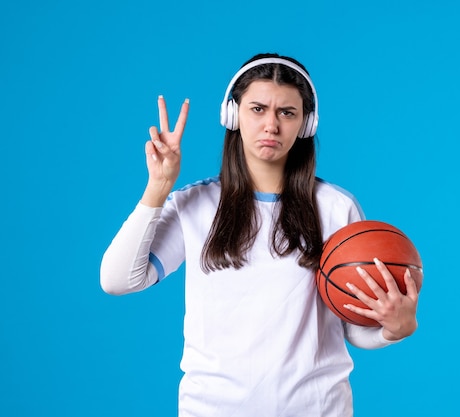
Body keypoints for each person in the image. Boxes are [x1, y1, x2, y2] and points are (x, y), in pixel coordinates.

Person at [100, 53, 419, 417]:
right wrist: (157, 187)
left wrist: (395, 327)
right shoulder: (195, 205)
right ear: (233, 115)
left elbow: (354, 330)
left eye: (287, 112)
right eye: (257, 109)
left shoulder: (335, 208)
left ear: (306, 124)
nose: (271, 125)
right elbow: (117, 280)